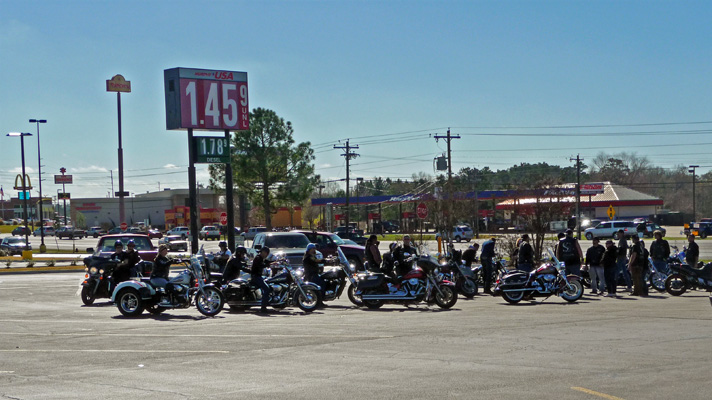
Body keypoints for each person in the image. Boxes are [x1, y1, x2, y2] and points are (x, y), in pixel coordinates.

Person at [251, 247, 272, 313]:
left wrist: (277, 261)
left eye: (267, 253)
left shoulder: (261, 259)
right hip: (256, 277)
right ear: (262, 252)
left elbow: (267, 262)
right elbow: (261, 265)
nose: (266, 254)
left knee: (270, 284)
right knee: (266, 288)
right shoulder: (258, 258)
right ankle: (263, 307)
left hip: (259, 276)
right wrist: (268, 264)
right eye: (265, 252)